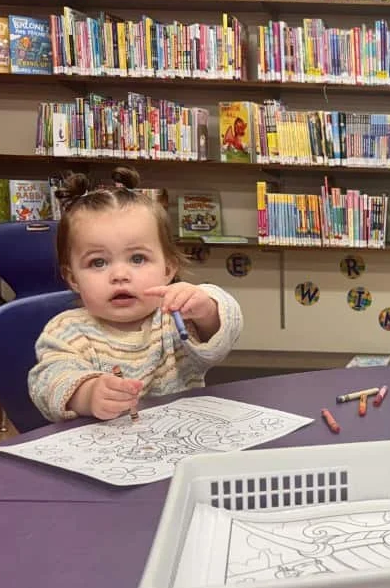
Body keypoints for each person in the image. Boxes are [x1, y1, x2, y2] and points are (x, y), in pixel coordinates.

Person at [28, 167, 243, 422]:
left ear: (168, 269)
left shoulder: (176, 319)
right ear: (73, 278)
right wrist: (87, 394)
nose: (119, 275)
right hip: (103, 450)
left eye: (138, 258)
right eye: (98, 263)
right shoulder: (66, 331)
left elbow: (224, 335)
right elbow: (49, 382)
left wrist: (206, 308)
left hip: (179, 441)